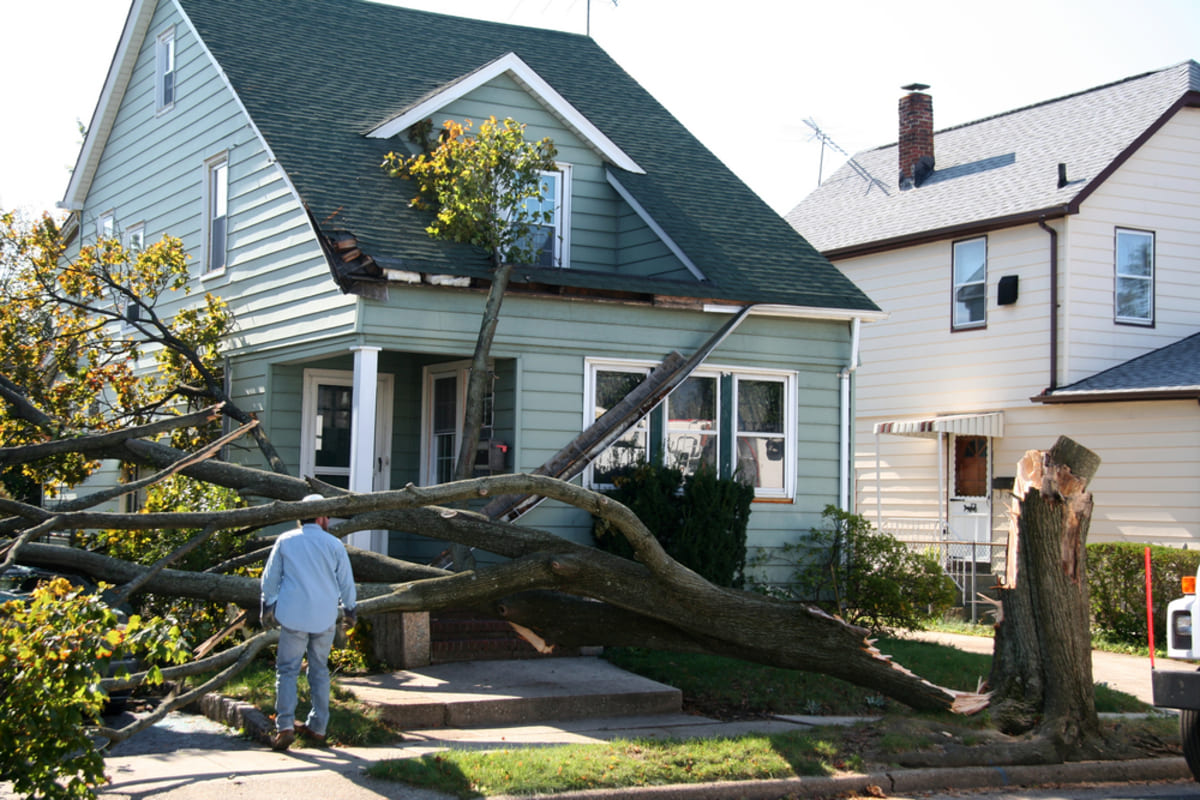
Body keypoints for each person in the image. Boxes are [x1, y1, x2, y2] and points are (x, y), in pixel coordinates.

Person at [260, 493, 357, 751]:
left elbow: (270, 578)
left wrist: (267, 605)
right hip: (324, 616)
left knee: (287, 670)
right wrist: (350, 610)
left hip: (293, 614)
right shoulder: (333, 544)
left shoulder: (286, 541)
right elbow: (346, 581)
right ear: (320, 516)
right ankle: (318, 727)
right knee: (319, 670)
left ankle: (285, 725)